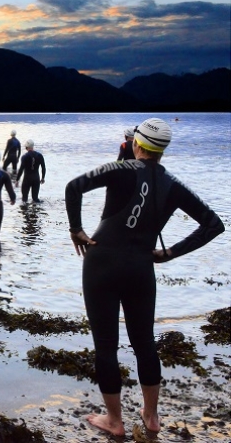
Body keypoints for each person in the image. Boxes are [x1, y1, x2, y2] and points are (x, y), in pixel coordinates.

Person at [65, 117, 224, 437]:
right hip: (141, 267)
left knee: (106, 346)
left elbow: (73, 187)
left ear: (136, 143)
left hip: (101, 264)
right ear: (163, 150)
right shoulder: (174, 185)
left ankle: (115, 421)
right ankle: (151, 416)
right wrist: (171, 252)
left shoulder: (118, 168)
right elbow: (213, 224)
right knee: (144, 343)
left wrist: (76, 229)